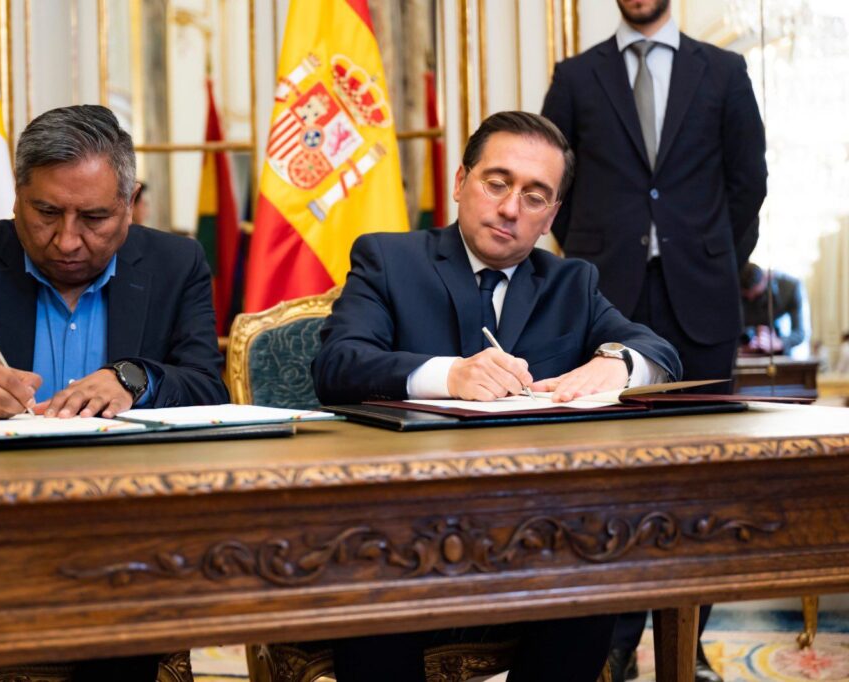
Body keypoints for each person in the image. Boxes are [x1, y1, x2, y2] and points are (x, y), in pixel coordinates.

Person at [312, 111, 680, 681]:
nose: (510, 208)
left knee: (594, 572)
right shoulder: (389, 260)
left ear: (550, 216)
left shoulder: (571, 284)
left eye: (534, 197)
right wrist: (448, 375)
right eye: (497, 183)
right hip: (401, 528)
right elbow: (337, 363)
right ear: (461, 182)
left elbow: (659, 352)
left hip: (534, 533)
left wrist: (617, 362)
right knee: (374, 577)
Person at [541, 1, 767, 678]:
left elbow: (748, 184)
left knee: (700, 480)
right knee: (606, 480)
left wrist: (712, 258)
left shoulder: (723, 72)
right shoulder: (576, 76)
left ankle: (687, 636)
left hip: (701, 302)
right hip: (605, 303)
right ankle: (612, 640)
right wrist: (593, 260)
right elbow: (553, 187)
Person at [0, 105, 227, 424]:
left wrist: (134, 380)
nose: (66, 241)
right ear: (18, 196)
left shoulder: (176, 264)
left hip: (129, 469)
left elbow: (208, 389)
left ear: (129, 203)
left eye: (93, 217)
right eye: (47, 212)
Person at [740, 263, 808, 356]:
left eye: (756, 295)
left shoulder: (790, 287)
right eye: (746, 297)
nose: (750, 298)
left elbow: (799, 333)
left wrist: (778, 343)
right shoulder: (731, 289)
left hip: (778, 351)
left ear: (765, 279)